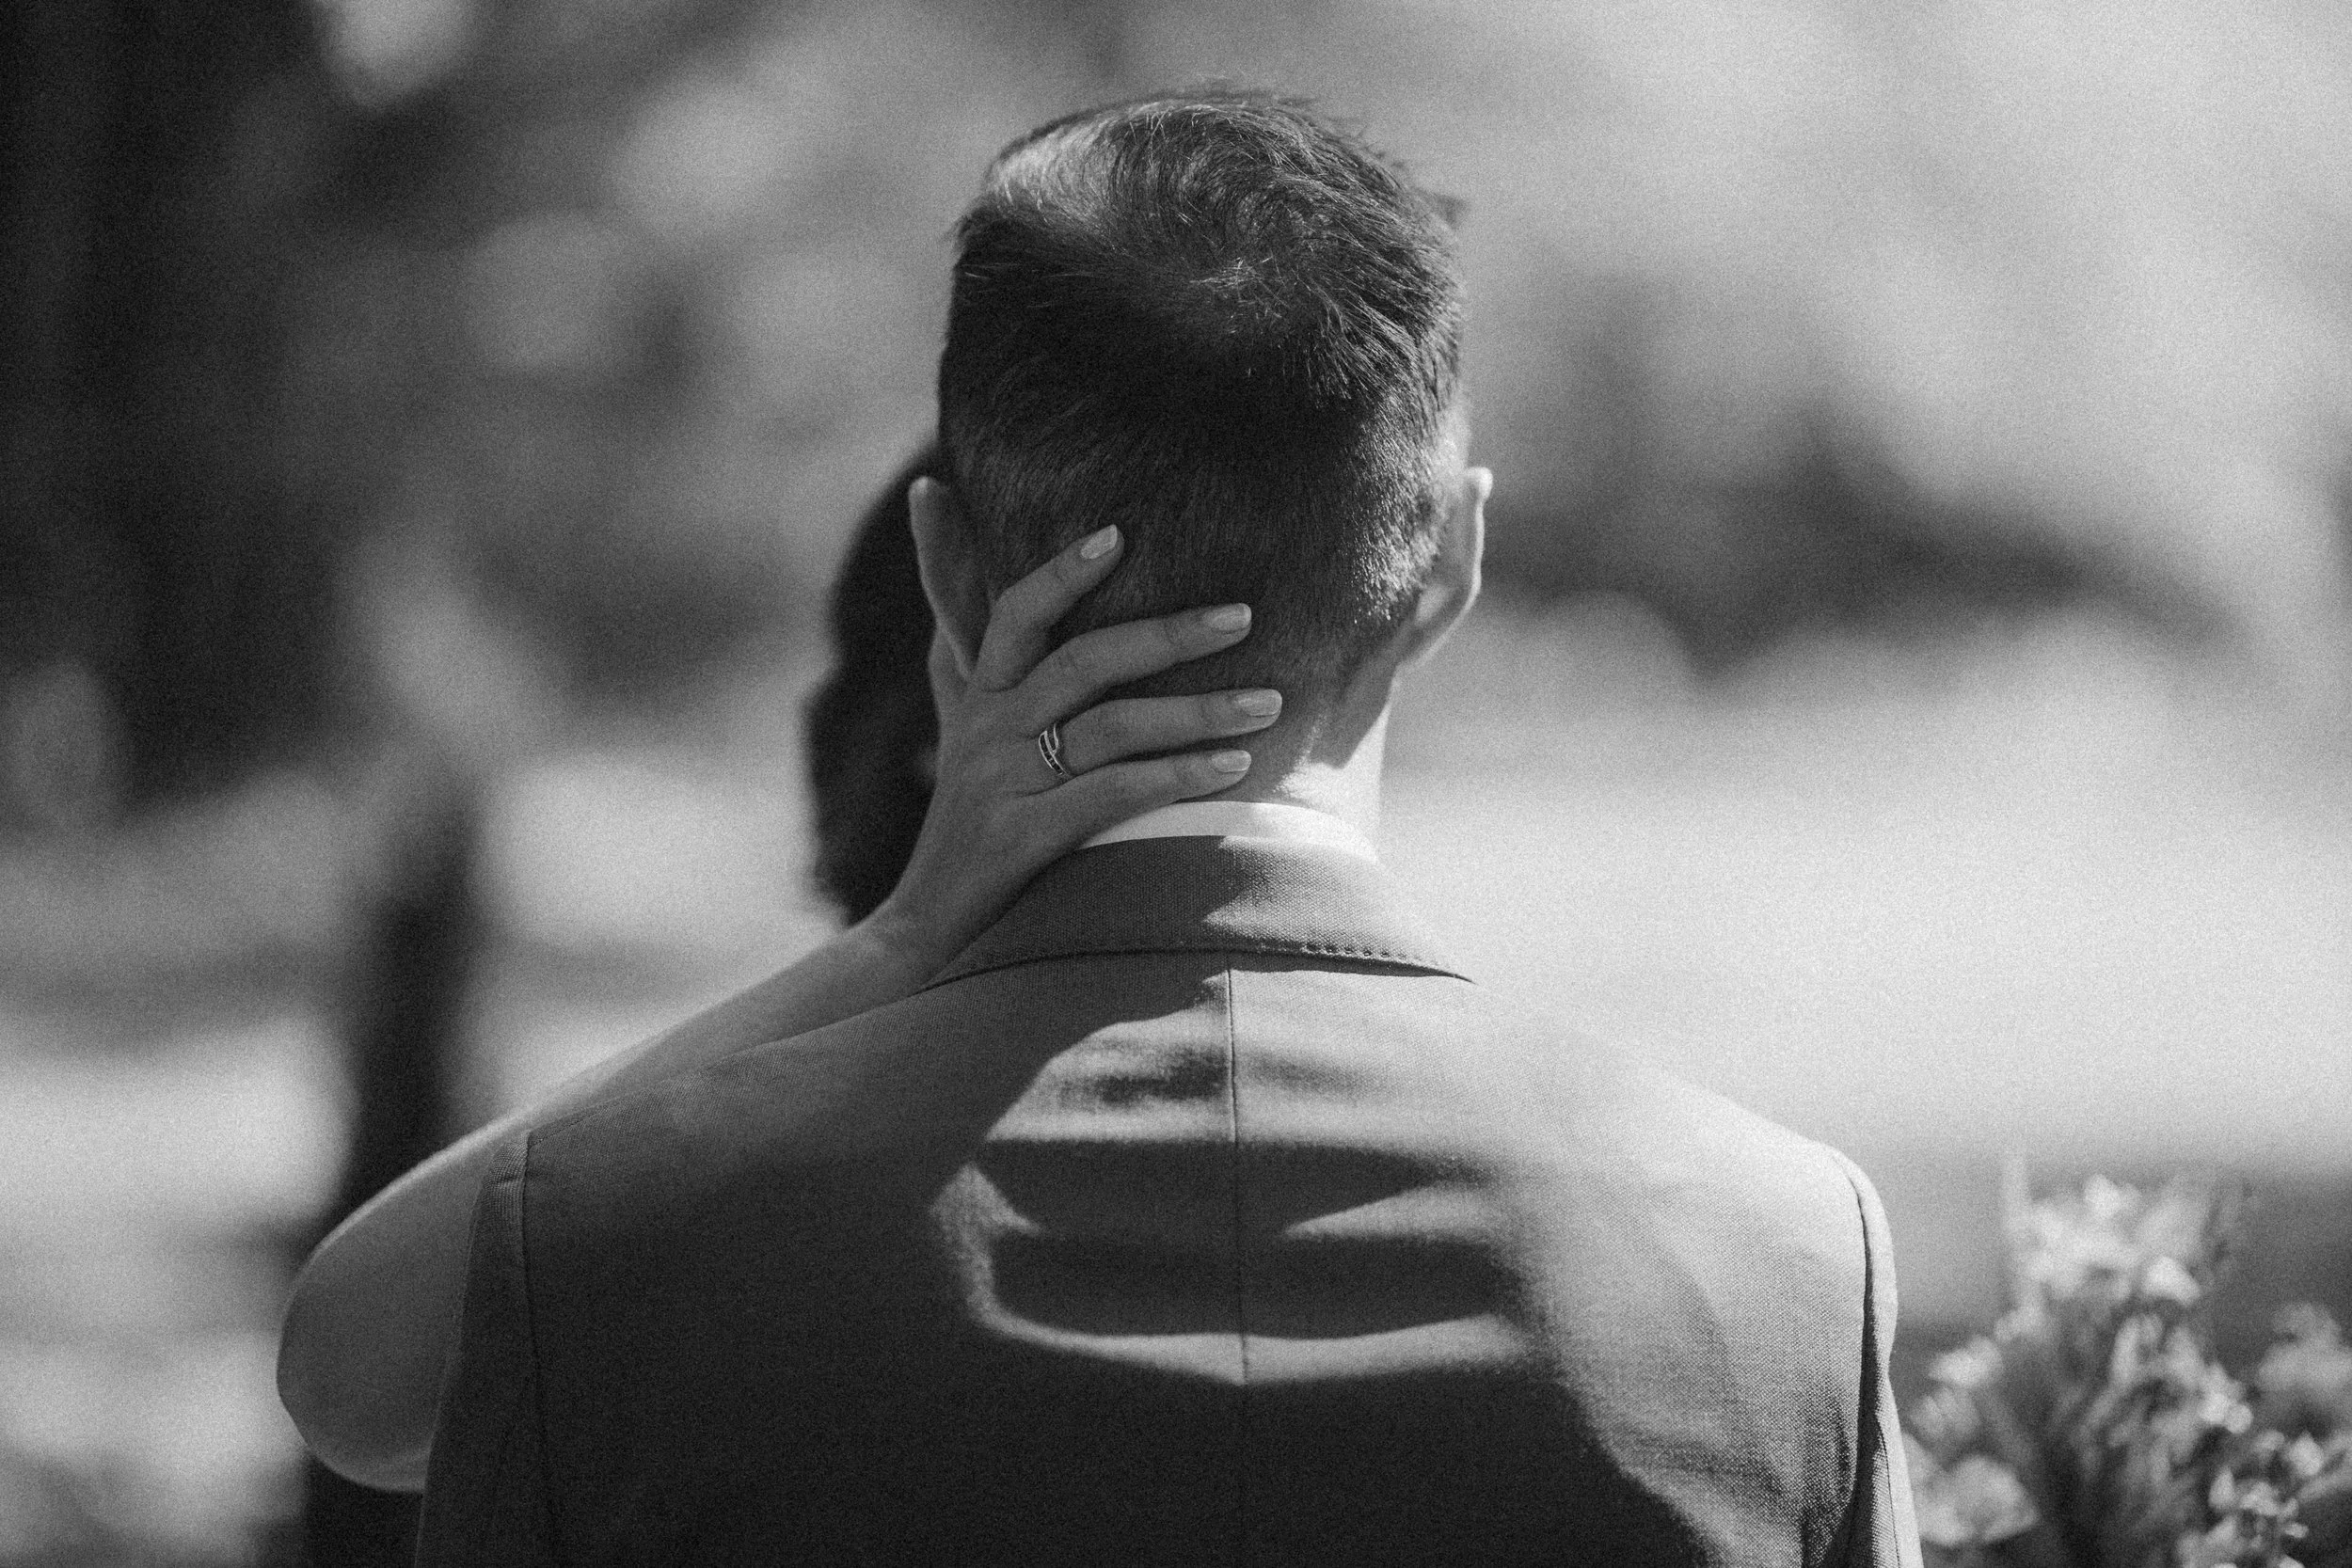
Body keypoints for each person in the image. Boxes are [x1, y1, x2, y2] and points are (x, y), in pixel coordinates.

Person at [288, 90, 1920, 1564]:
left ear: (945, 570)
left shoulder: (626, 1257)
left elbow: (346, 1381)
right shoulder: (1779, 1268)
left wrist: (898, 944)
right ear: (1446, 567)